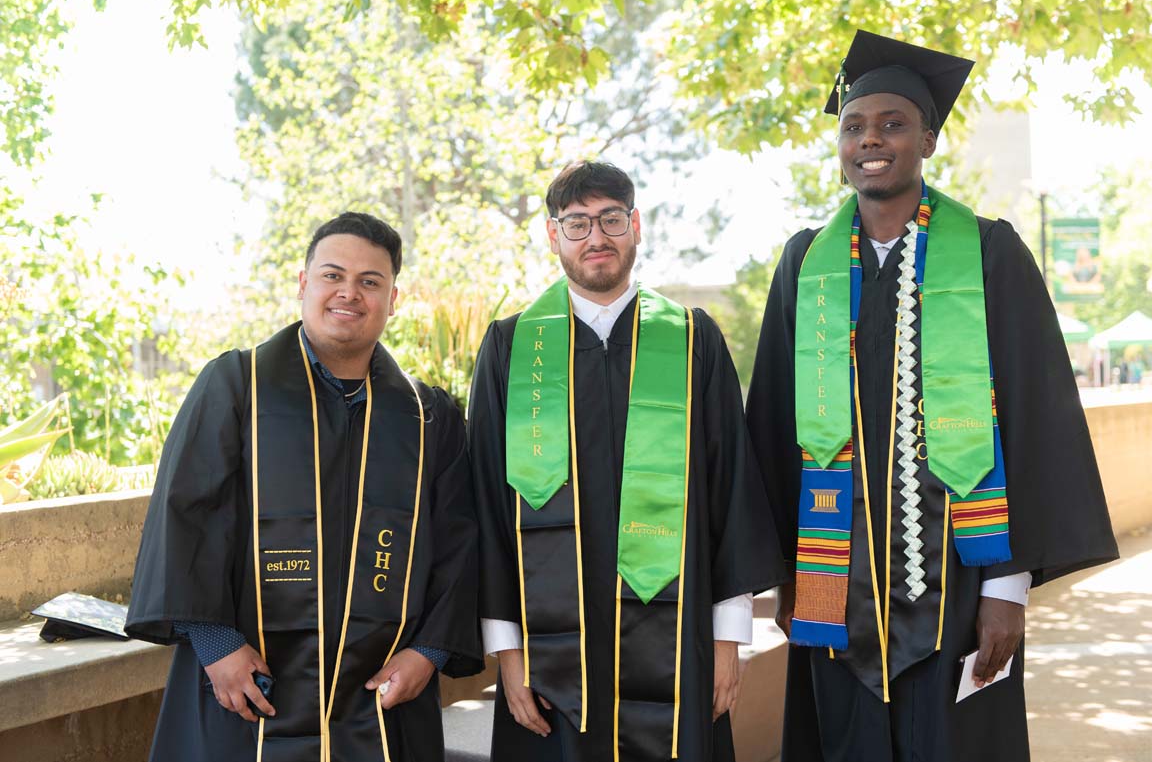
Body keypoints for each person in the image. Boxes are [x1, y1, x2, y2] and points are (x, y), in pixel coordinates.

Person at [745, 31, 1119, 762]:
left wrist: (1008, 590)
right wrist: (786, 575)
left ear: (929, 139)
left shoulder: (987, 254)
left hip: (958, 582)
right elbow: (771, 426)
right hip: (832, 580)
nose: (870, 140)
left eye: (892, 124)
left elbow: (1037, 419)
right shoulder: (804, 265)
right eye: (854, 126)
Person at [126, 212, 482, 762]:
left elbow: (458, 544)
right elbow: (185, 517)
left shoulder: (426, 416)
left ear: (394, 299)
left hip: (381, 703)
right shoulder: (235, 387)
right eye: (332, 276)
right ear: (303, 284)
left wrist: (428, 654)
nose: (350, 294)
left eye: (370, 282)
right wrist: (216, 646)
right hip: (246, 691)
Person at [469, 161, 787, 762]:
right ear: (552, 235)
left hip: (680, 640)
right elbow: (486, 502)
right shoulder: (512, 348)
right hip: (549, 651)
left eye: (611, 219)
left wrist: (727, 641)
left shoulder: (693, 338)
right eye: (578, 223)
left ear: (636, 225)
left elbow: (731, 487)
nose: (597, 237)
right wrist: (508, 656)